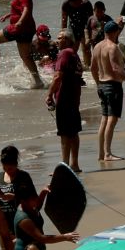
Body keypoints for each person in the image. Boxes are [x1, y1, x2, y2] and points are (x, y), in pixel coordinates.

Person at [90, 21, 125, 162]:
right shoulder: (113, 47)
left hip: (102, 85)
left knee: (104, 119)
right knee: (112, 119)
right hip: (113, 86)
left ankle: (100, 154)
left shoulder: (97, 47)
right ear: (116, 32)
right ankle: (108, 153)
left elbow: (92, 68)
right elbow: (117, 69)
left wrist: (98, 83)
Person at [47, 31, 83, 171]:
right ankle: (74, 164)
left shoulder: (65, 53)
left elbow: (58, 77)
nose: (57, 41)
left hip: (64, 98)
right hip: (74, 98)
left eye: (60, 38)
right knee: (73, 132)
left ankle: (65, 165)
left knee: (64, 133)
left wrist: (49, 94)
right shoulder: (74, 55)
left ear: (68, 40)